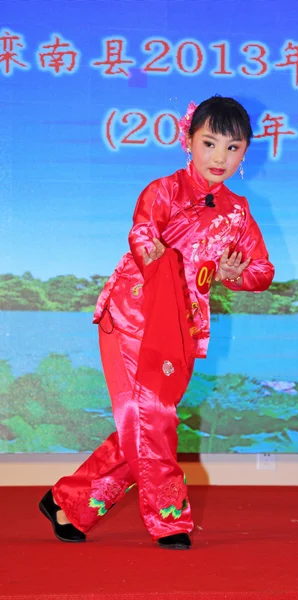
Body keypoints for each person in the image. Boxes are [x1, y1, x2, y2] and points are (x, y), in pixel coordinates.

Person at [39, 95, 275, 550]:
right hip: (134, 316)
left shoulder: (238, 213)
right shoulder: (162, 191)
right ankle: (170, 517)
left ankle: (68, 500)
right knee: (150, 415)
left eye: (233, 148)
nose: (219, 158)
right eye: (209, 143)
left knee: (147, 421)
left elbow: (262, 272)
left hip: (183, 329)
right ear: (188, 140)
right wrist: (161, 255)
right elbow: (143, 235)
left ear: (246, 152)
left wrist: (234, 274)